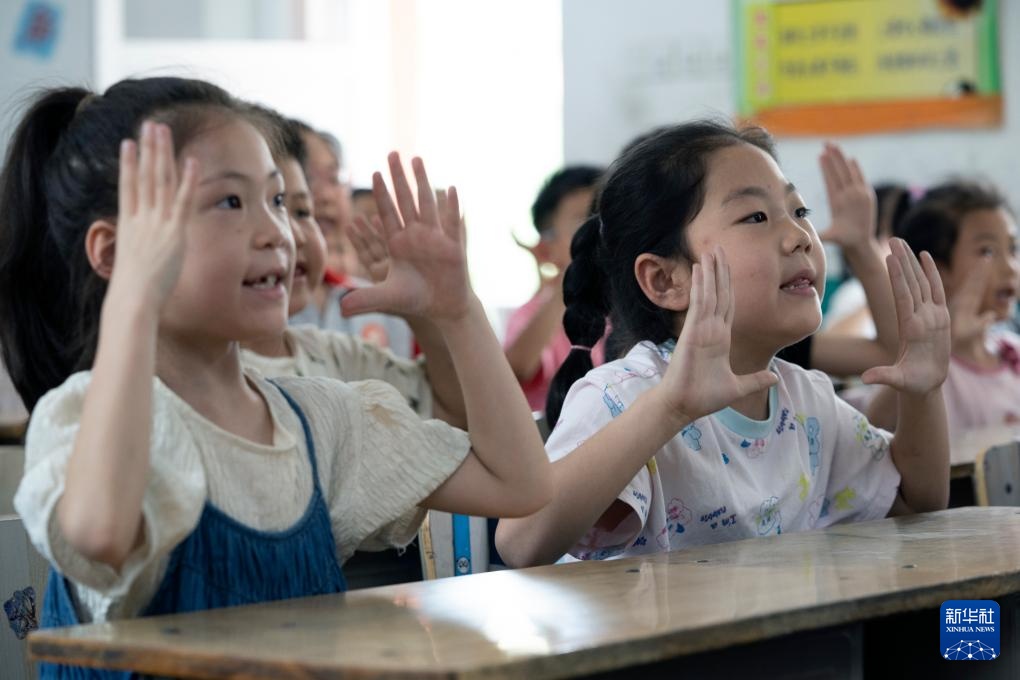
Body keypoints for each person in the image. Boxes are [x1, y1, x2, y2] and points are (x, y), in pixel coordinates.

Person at [0, 78, 551, 679]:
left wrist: (456, 310)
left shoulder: (316, 419)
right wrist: (133, 298)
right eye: (230, 203)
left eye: (279, 201)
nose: (275, 233)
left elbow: (519, 485)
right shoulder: (78, 416)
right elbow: (102, 535)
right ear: (111, 251)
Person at [495, 121, 950, 567]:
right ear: (667, 279)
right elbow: (520, 543)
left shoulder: (806, 401)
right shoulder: (625, 395)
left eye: (800, 212)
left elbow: (912, 503)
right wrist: (670, 408)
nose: (798, 237)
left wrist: (924, 395)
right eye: (755, 216)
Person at [867, 181, 1020, 436]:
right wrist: (946, 343)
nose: (1010, 268)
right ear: (937, 269)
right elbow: (873, 427)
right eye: (988, 251)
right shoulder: (923, 365)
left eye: (1013, 249)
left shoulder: (1012, 350)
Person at [504, 165, 605, 411]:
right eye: (583, 220)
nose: (599, 230)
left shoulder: (626, 307)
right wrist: (567, 278)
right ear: (547, 244)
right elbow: (516, 369)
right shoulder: (533, 316)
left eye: (603, 216)